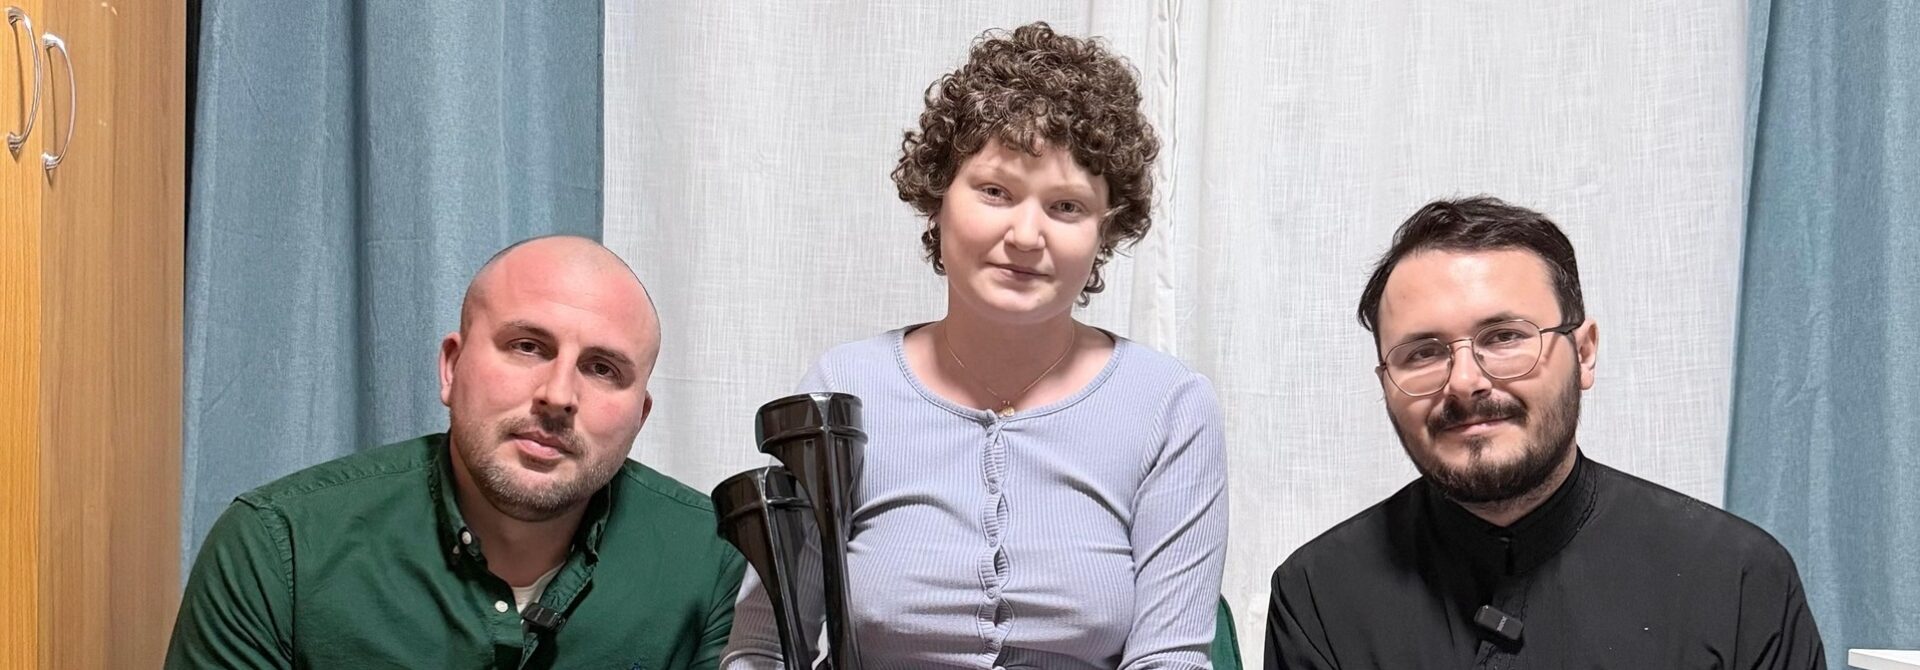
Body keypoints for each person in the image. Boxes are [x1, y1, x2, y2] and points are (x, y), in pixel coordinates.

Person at [722, 22, 1229, 669]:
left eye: (1067, 207)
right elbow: (762, 646)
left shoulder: (1170, 406)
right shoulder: (844, 387)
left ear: (1106, 230)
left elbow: (1170, 658)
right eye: (995, 192)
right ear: (938, 195)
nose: (1026, 235)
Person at [1263, 197, 1824, 668]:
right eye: (1423, 353)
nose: (1465, 382)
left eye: (1505, 337)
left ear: (1584, 353)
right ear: (1386, 381)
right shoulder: (1319, 595)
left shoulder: (1737, 581)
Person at [167, 236, 746, 669]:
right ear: (451, 367)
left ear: (639, 417)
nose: (558, 395)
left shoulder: (719, 559)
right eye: (527, 346)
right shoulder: (279, 549)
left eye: (602, 368)